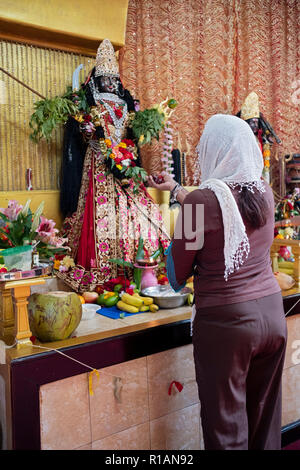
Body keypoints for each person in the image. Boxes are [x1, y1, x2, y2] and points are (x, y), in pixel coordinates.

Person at [148, 114, 287, 450]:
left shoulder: (200, 202)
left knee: (225, 426)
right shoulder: (263, 194)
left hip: (227, 326)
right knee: (264, 418)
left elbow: (177, 275)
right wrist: (178, 191)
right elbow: (222, 207)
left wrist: (174, 242)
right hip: (272, 317)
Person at [57, 39, 170, 292]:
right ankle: (106, 268)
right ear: (97, 77)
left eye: (113, 78)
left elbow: (130, 133)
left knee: (141, 214)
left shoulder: (125, 103)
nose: (109, 82)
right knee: (102, 216)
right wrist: (86, 129)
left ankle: (141, 268)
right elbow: (82, 134)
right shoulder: (90, 101)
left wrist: (131, 146)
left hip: (125, 164)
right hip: (98, 164)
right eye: (105, 77)